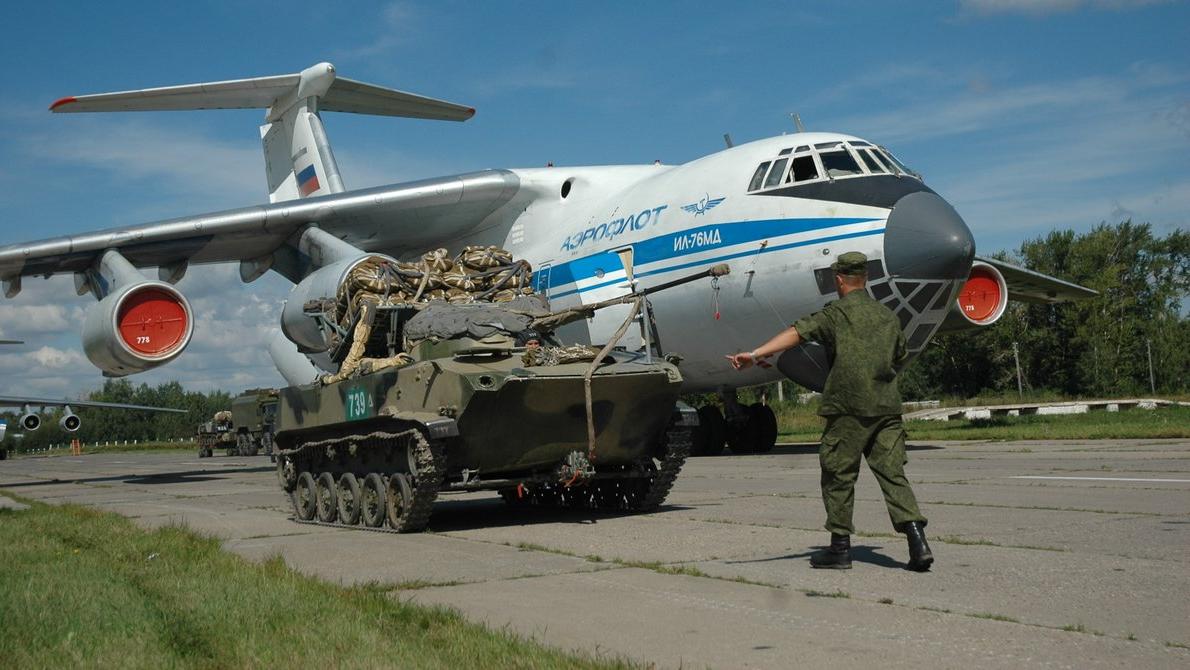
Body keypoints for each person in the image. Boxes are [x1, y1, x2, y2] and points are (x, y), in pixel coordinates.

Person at [725, 251, 933, 571]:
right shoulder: (888, 317)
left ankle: (840, 549)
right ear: (865, 278)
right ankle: (917, 541)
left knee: (838, 474)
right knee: (893, 474)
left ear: (839, 280)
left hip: (848, 406)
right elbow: (900, 356)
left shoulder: (835, 314)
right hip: (886, 407)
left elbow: (797, 332)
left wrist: (755, 354)